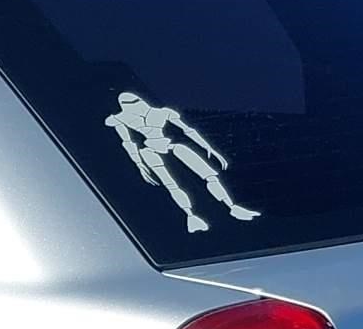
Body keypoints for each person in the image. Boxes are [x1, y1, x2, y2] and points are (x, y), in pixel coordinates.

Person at [103, 90, 259, 233]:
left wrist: (209, 149)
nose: (134, 106)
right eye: (127, 104)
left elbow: (188, 130)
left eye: (135, 102)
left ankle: (232, 207)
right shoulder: (121, 119)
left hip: (171, 145)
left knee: (208, 175)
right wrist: (139, 164)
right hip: (149, 151)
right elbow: (128, 142)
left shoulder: (162, 113)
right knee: (172, 185)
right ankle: (190, 216)